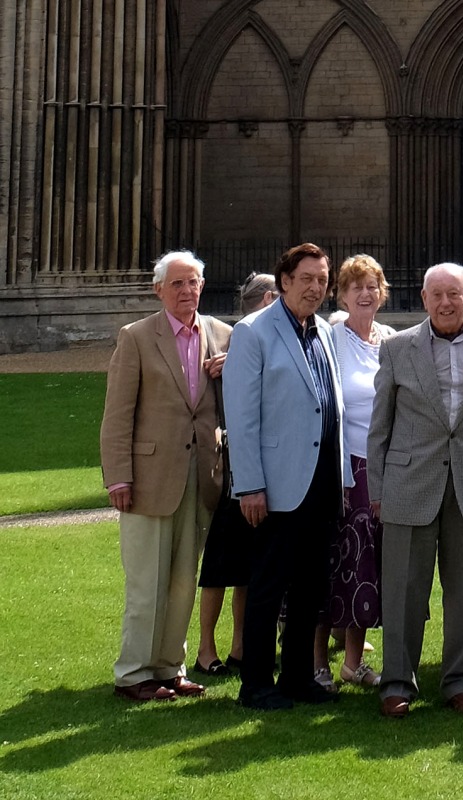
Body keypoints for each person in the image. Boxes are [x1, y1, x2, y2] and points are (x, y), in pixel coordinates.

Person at [368, 263, 463, 718]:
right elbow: (381, 425)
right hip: (409, 483)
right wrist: (377, 488)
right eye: (438, 295)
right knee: (405, 591)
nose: (447, 302)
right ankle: (397, 681)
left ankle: (458, 680)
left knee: (460, 591)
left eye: (455, 293)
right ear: (424, 298)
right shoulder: (397, 347)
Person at [224, 242, 354, 711]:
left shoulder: (320, 330)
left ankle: (298, 676)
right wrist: (251, 486)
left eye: (322, 280)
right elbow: (241, 417)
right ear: (283, 281)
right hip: (276, 487)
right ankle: (256, 684)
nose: (316, 288)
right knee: (268, 587)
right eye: (307, 279)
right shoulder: (253, 333)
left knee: (310, 588)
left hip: (320, 486)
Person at [100, 250, 231, 702]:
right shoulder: (136, 337)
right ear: (159, 290)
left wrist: (229, 371)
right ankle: (133, 672)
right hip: (149, 478)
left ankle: (170, 667)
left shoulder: (222, 334)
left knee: (181, 581)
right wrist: (118, 477)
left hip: (202, 477)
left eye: (193, 282)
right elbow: (117, 414)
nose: (186, 291)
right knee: (145, 582)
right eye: (177, 283)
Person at [315, 255, 395, 690]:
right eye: (355, 287)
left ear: (382, 293)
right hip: (340, 469)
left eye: (372, 286)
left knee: (368, 565)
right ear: (341, 295)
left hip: (380, 469)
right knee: (331, 561)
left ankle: (353, 662)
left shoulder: (393, 341)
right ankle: (317, 664)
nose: (365, 294)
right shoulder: (330, 339)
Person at [192, 273, 277, 677]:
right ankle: (206, 647)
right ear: (269, 298)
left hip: (270, 469)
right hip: (233, 469)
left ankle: (240, 644)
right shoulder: (229, 339)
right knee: (220, 566)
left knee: (250, 565)